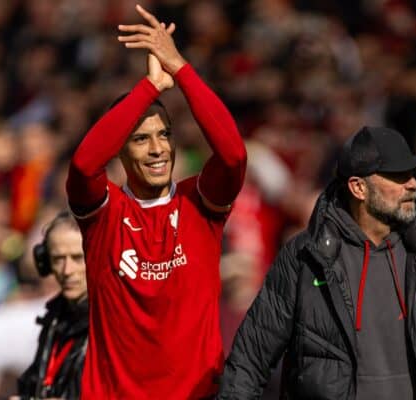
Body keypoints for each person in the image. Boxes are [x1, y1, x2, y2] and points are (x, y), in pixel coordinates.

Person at [217, 127, 416, 399]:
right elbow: (250, 360)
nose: (414, 184)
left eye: (413, 173)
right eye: (398, 175)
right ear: (358, 188)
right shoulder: (304, 258)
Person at [66, 5, 246, 399]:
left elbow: (233, 155)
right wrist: (148, 88)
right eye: (140, 138)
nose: (157, 150)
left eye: (164, 135)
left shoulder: (198, 203)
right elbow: (83, 165)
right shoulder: (105, 213)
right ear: (120, 151)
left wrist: (180, 69)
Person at [15, 211, 88, 399]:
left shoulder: (117, 318)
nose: (67, 270)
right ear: (45, 263)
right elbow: (33, 381)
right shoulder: (55, 318)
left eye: (77, 258)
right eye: (58, 259)